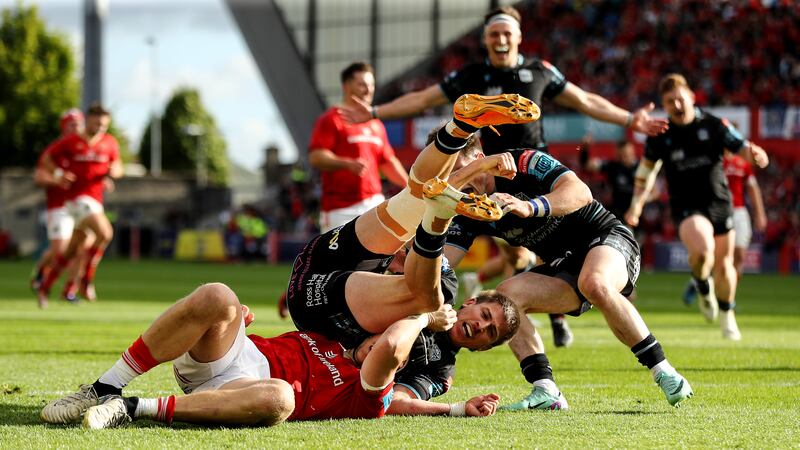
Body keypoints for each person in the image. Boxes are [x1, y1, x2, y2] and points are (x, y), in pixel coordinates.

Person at [341, 6, 669, 347]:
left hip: (529, 175)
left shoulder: (539, 70)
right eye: (494, 34)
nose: (500, 40)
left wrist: (631, 120)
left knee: (538, 245)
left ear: (518, 37)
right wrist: (376, 112)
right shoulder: (469, 77)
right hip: (479, 178)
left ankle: (554, 318)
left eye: (506, 33)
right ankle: (533, 315)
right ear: (485, 39)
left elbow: (584, 100)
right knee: (516, 258)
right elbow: (423, 99)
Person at [286, 95, 533, 412]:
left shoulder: (440, 370)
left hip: (320, 311)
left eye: (490, 332)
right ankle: (456, 144)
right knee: (421, 230)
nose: (481, 327)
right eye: (485, 316)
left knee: (427, 282)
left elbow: (395, 400)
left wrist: (455, 407)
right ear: (471, 303)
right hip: (325, 263)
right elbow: (406, 254)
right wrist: (480, 166)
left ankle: (454, 151)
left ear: (484, 348)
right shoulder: (448, 282)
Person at [441, 140, 693, 410]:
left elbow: (580, 192)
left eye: (460, 170)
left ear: (480, 157)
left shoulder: (523, 162)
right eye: (449, 176)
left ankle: (663, 371)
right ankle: (546, 390)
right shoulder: (466, 207)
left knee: (594, 282)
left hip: (606, 236)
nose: (457, 181)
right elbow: (444, 262)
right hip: (563, 266)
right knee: (505, 299)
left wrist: (529, 207)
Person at [40, 283, 502, 429]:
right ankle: (103, 387)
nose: (378, 341)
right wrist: (236, 320)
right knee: (219, 296)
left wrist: (423, 317)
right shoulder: (330, 337)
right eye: (482, 314)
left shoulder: (368, 395)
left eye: (490, 330)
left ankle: (130, 409)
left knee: (281, 399)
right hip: (225, 358)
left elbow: (393, 352)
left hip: (246, 394)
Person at [626, 74, 769, 341]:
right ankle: (704, 285)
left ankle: (727, 315)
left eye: (680, 98)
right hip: (687, 208)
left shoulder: (715, 126)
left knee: (725, 266)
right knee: (703, 251)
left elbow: (742, 147)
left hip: (719, 204)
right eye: (670, 102)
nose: (677, 105)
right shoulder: (661, 136)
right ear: (664, 106)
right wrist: (636, 206)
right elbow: (644, 175)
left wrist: (756, 154)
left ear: (691, 96)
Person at [35, 103, 123, 305]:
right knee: (105, 233)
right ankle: (85, 280)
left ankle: (45, 287)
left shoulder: (109, 142)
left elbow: (117, 165)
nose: (100, 128)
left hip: (94, 202)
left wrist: (112, 172)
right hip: (76, 200)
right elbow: (46, 159)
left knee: (72, 251)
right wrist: (57, 175)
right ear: (88, 120)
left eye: (103, 125)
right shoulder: (71, 142)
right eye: (96, 123)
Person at [310, 61, 409, 233]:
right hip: (340, 209)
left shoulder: (375, 123)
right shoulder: (331, 119)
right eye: (362, 84)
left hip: (373, 203)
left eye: (371, 85)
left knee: (380, 259)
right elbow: (316, 156)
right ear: (346, 86)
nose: (368, 89)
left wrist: (410, 185)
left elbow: (387, 161)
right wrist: (346, 163)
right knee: (339, 261)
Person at [682, 151, 767, 304]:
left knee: (739, 256)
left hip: (738, 212)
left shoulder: (742, 163)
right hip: (716, 210)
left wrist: (759, 213)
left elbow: (752, 188)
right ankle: (697, 281)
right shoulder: (711, 159)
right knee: (714, 255)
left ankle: (727, 297)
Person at [30, 109, 88, 307]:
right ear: (63, 127)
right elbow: (38, 177)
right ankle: (40, 272)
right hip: (59, 206)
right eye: (71, 124)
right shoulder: (55, 150)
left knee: (82, 248)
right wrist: (56, 178)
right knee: (61, 250)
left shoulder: (84, 149)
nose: (76, 128)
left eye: (78, 124)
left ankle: (69, 291)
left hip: (80, 206)